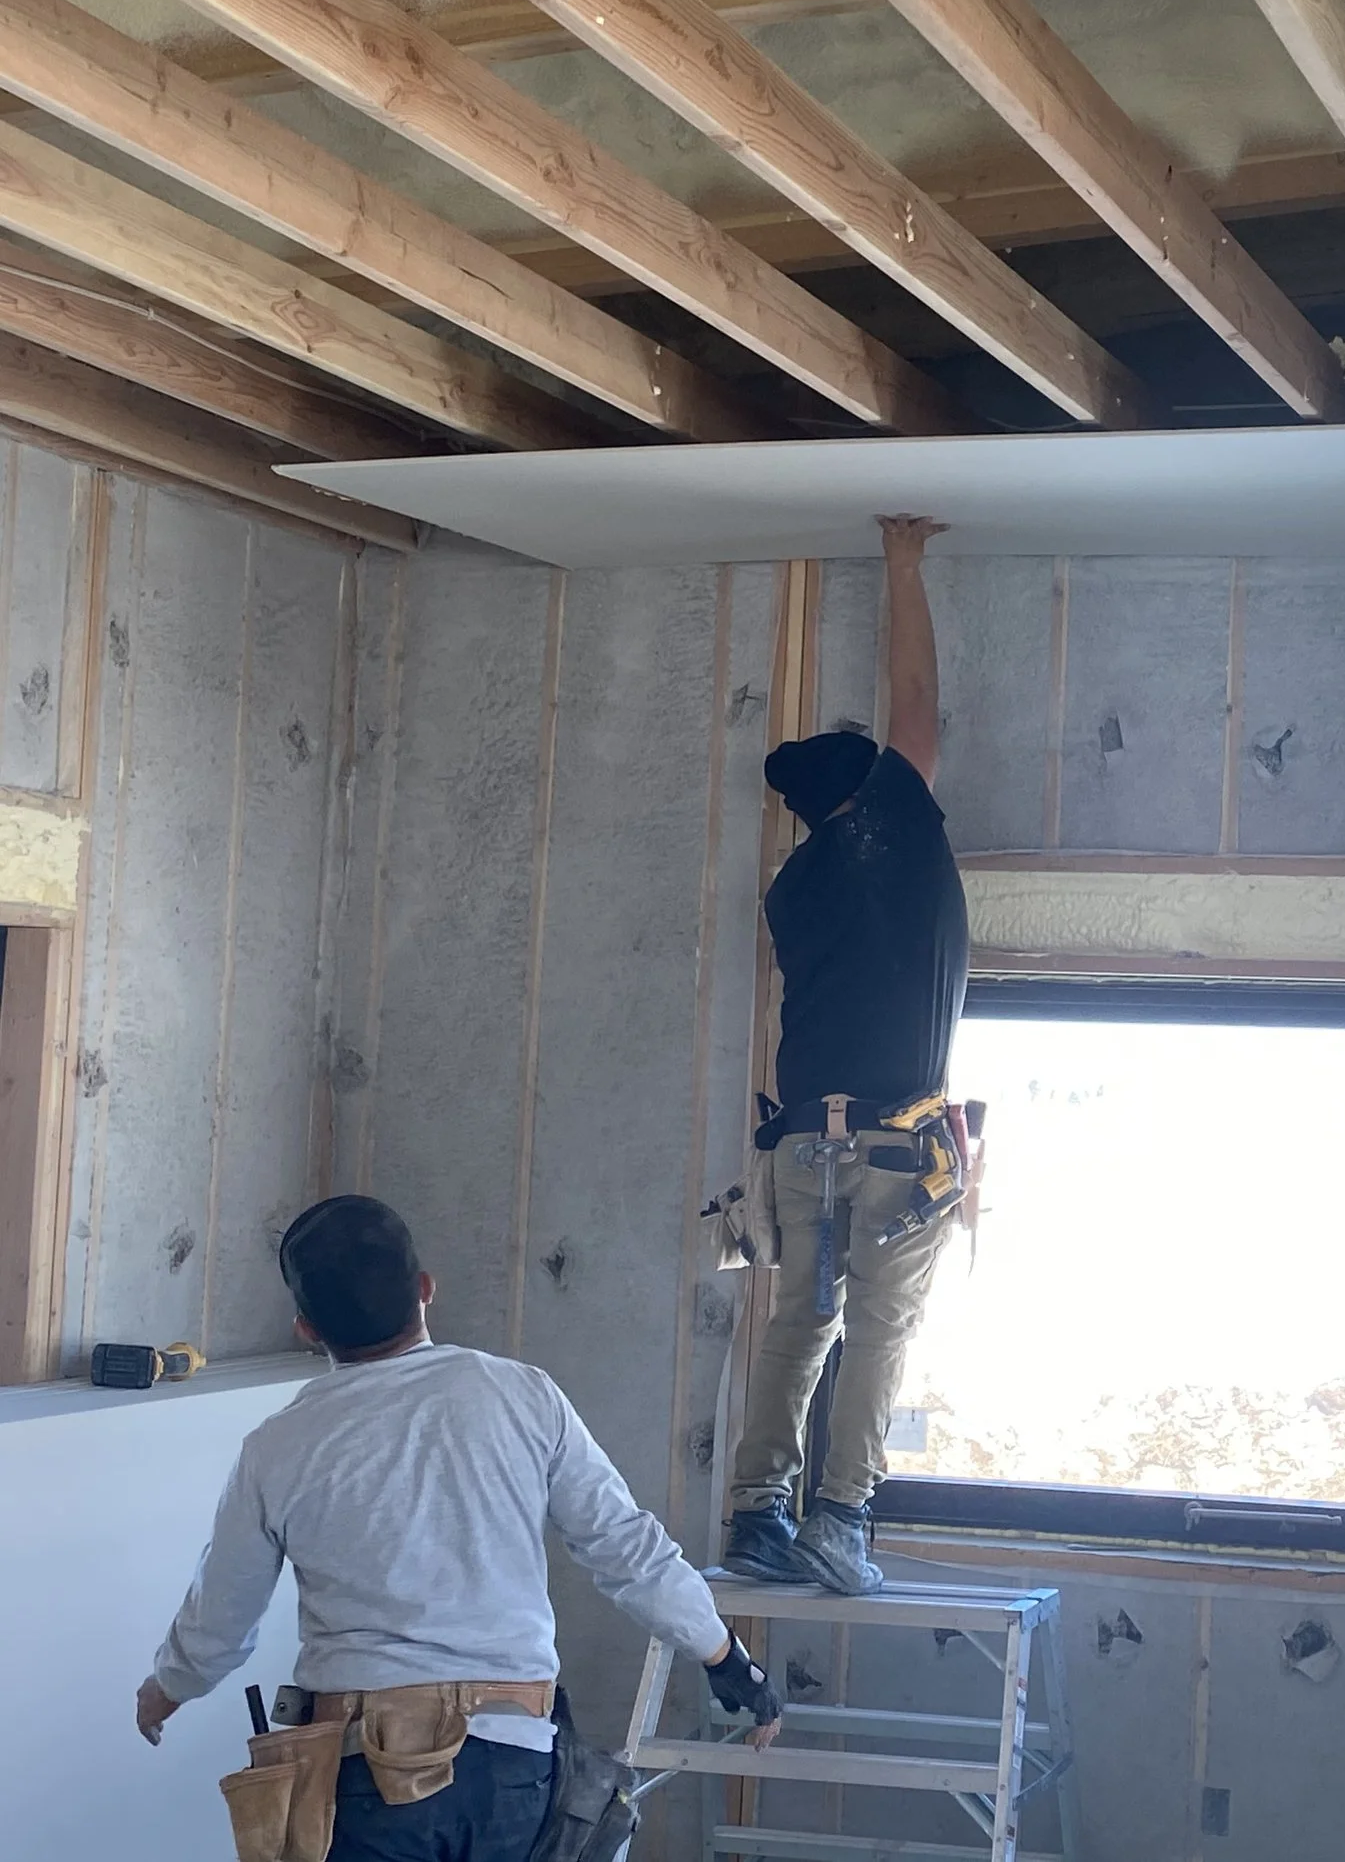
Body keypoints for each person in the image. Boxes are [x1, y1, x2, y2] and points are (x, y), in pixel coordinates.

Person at [135, 1194, 782, 1862]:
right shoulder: (524, 1397)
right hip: (514, 1770)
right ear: (424, 1288)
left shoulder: (277, 1445)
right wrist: (727, 1658)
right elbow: (628, 1550)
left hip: (363, 1777)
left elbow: (223, 1613)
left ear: (306, 1327)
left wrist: (169, 1687)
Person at [722, 512, 970, 1595]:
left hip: (801, 1149)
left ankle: (756, 1514)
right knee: (880, 1328)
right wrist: (904, 559)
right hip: (888, 1155)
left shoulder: (796, 882)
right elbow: (920, 706)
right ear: (867, 794)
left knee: (800, 1322)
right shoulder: (895, 832)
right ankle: (841, 1517)